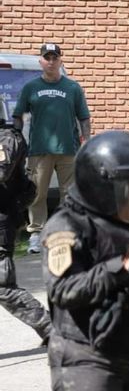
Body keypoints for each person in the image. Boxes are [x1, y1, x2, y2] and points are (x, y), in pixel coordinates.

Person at [42, 130, 129, 391]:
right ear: (103, 189)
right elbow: (63, 290)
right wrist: (120, 268)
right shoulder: (68, 226)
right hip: (89, 356)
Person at [12, 43, 91, 255]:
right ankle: (36, 234)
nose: (51, 61)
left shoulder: (73, 88)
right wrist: (17, 137)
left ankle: (65, 232)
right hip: (39, 150)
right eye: (47, 57)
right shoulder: (31, 88)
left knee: (69, 194)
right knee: (37, 193)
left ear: (60, 61)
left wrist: (87, 140)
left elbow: (83, 116)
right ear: (41, 61)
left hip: (68, 150)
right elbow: (18, 114)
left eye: (55, 57)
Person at [0, 97, 52, 344]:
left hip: (1, 221)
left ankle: (52, 329)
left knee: (3, 286)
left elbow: (1, 172)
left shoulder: (8, 139)